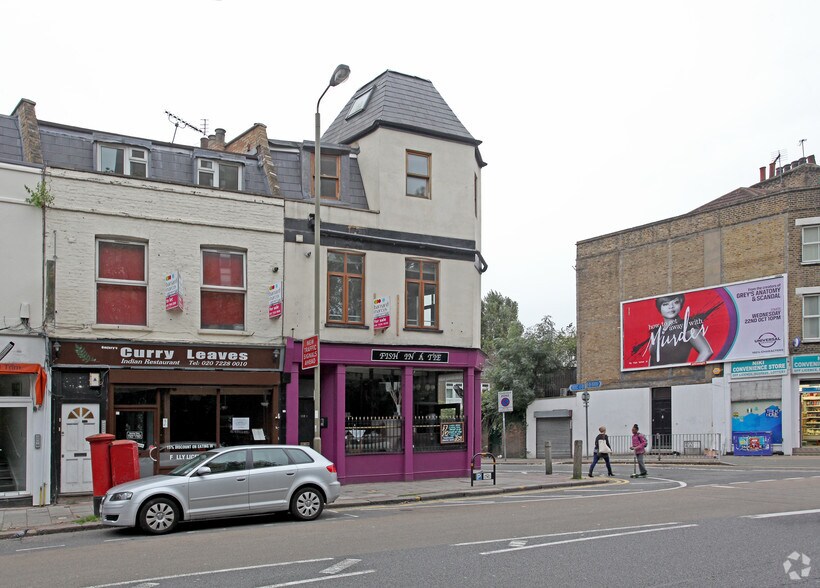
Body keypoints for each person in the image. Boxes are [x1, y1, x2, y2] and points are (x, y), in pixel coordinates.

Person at [648, 294, 713, 366]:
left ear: (681, 304)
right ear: (659, 308)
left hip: (677, 372)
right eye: (665, 304)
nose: (671, 307)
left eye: (676, 302)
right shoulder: (656, 330)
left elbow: (706, 351)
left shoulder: (686, 325)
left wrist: (694, 370)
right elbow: (652, 357)